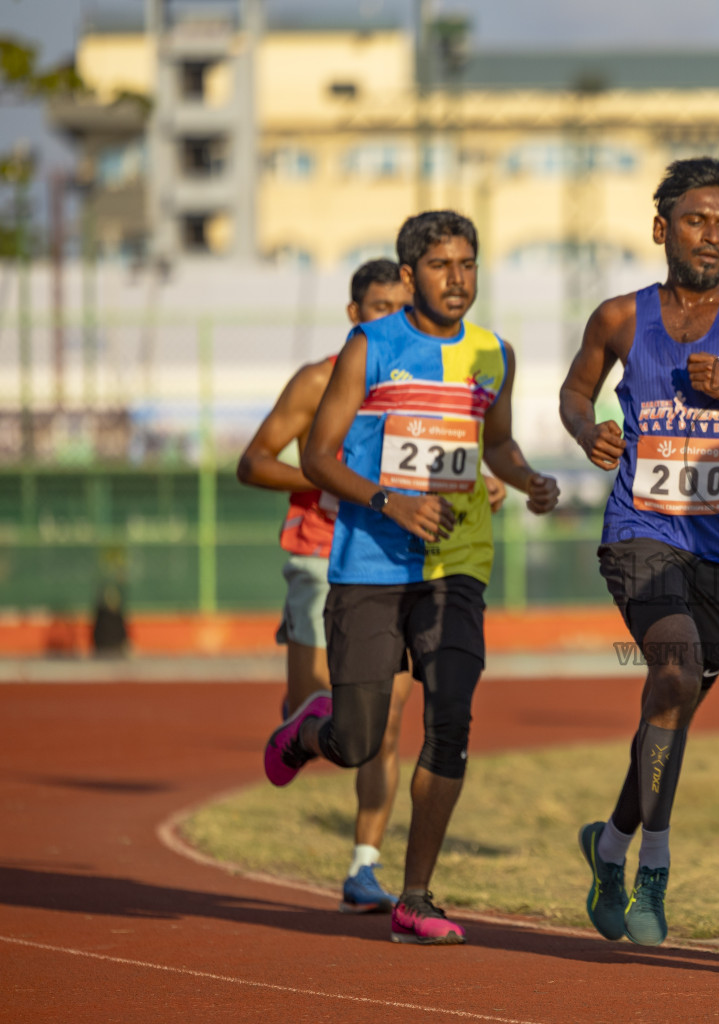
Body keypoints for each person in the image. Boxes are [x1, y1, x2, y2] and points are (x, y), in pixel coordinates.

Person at [261, 211, 559, 945]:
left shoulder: (496, 355)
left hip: (457, 566)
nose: (457, 280)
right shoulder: (369, 348)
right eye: (440, 266)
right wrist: (391, 501)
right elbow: (322, 457)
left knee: (449, 717)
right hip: (369, 563)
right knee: (361, 741)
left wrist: (527, 480)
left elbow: (500, 444)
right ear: (408, 276)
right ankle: (310, 731)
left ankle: (416, 896)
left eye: (468, 264)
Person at [559, 157, 719, 946]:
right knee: (671, 673)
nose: (712, 236)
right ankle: (655, 872)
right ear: (661, 227)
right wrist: (588, 430)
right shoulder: (618, 318)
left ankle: (608, 845)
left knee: (673, 705)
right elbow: (575, 391)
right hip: (639, 532)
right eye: (697, 221)